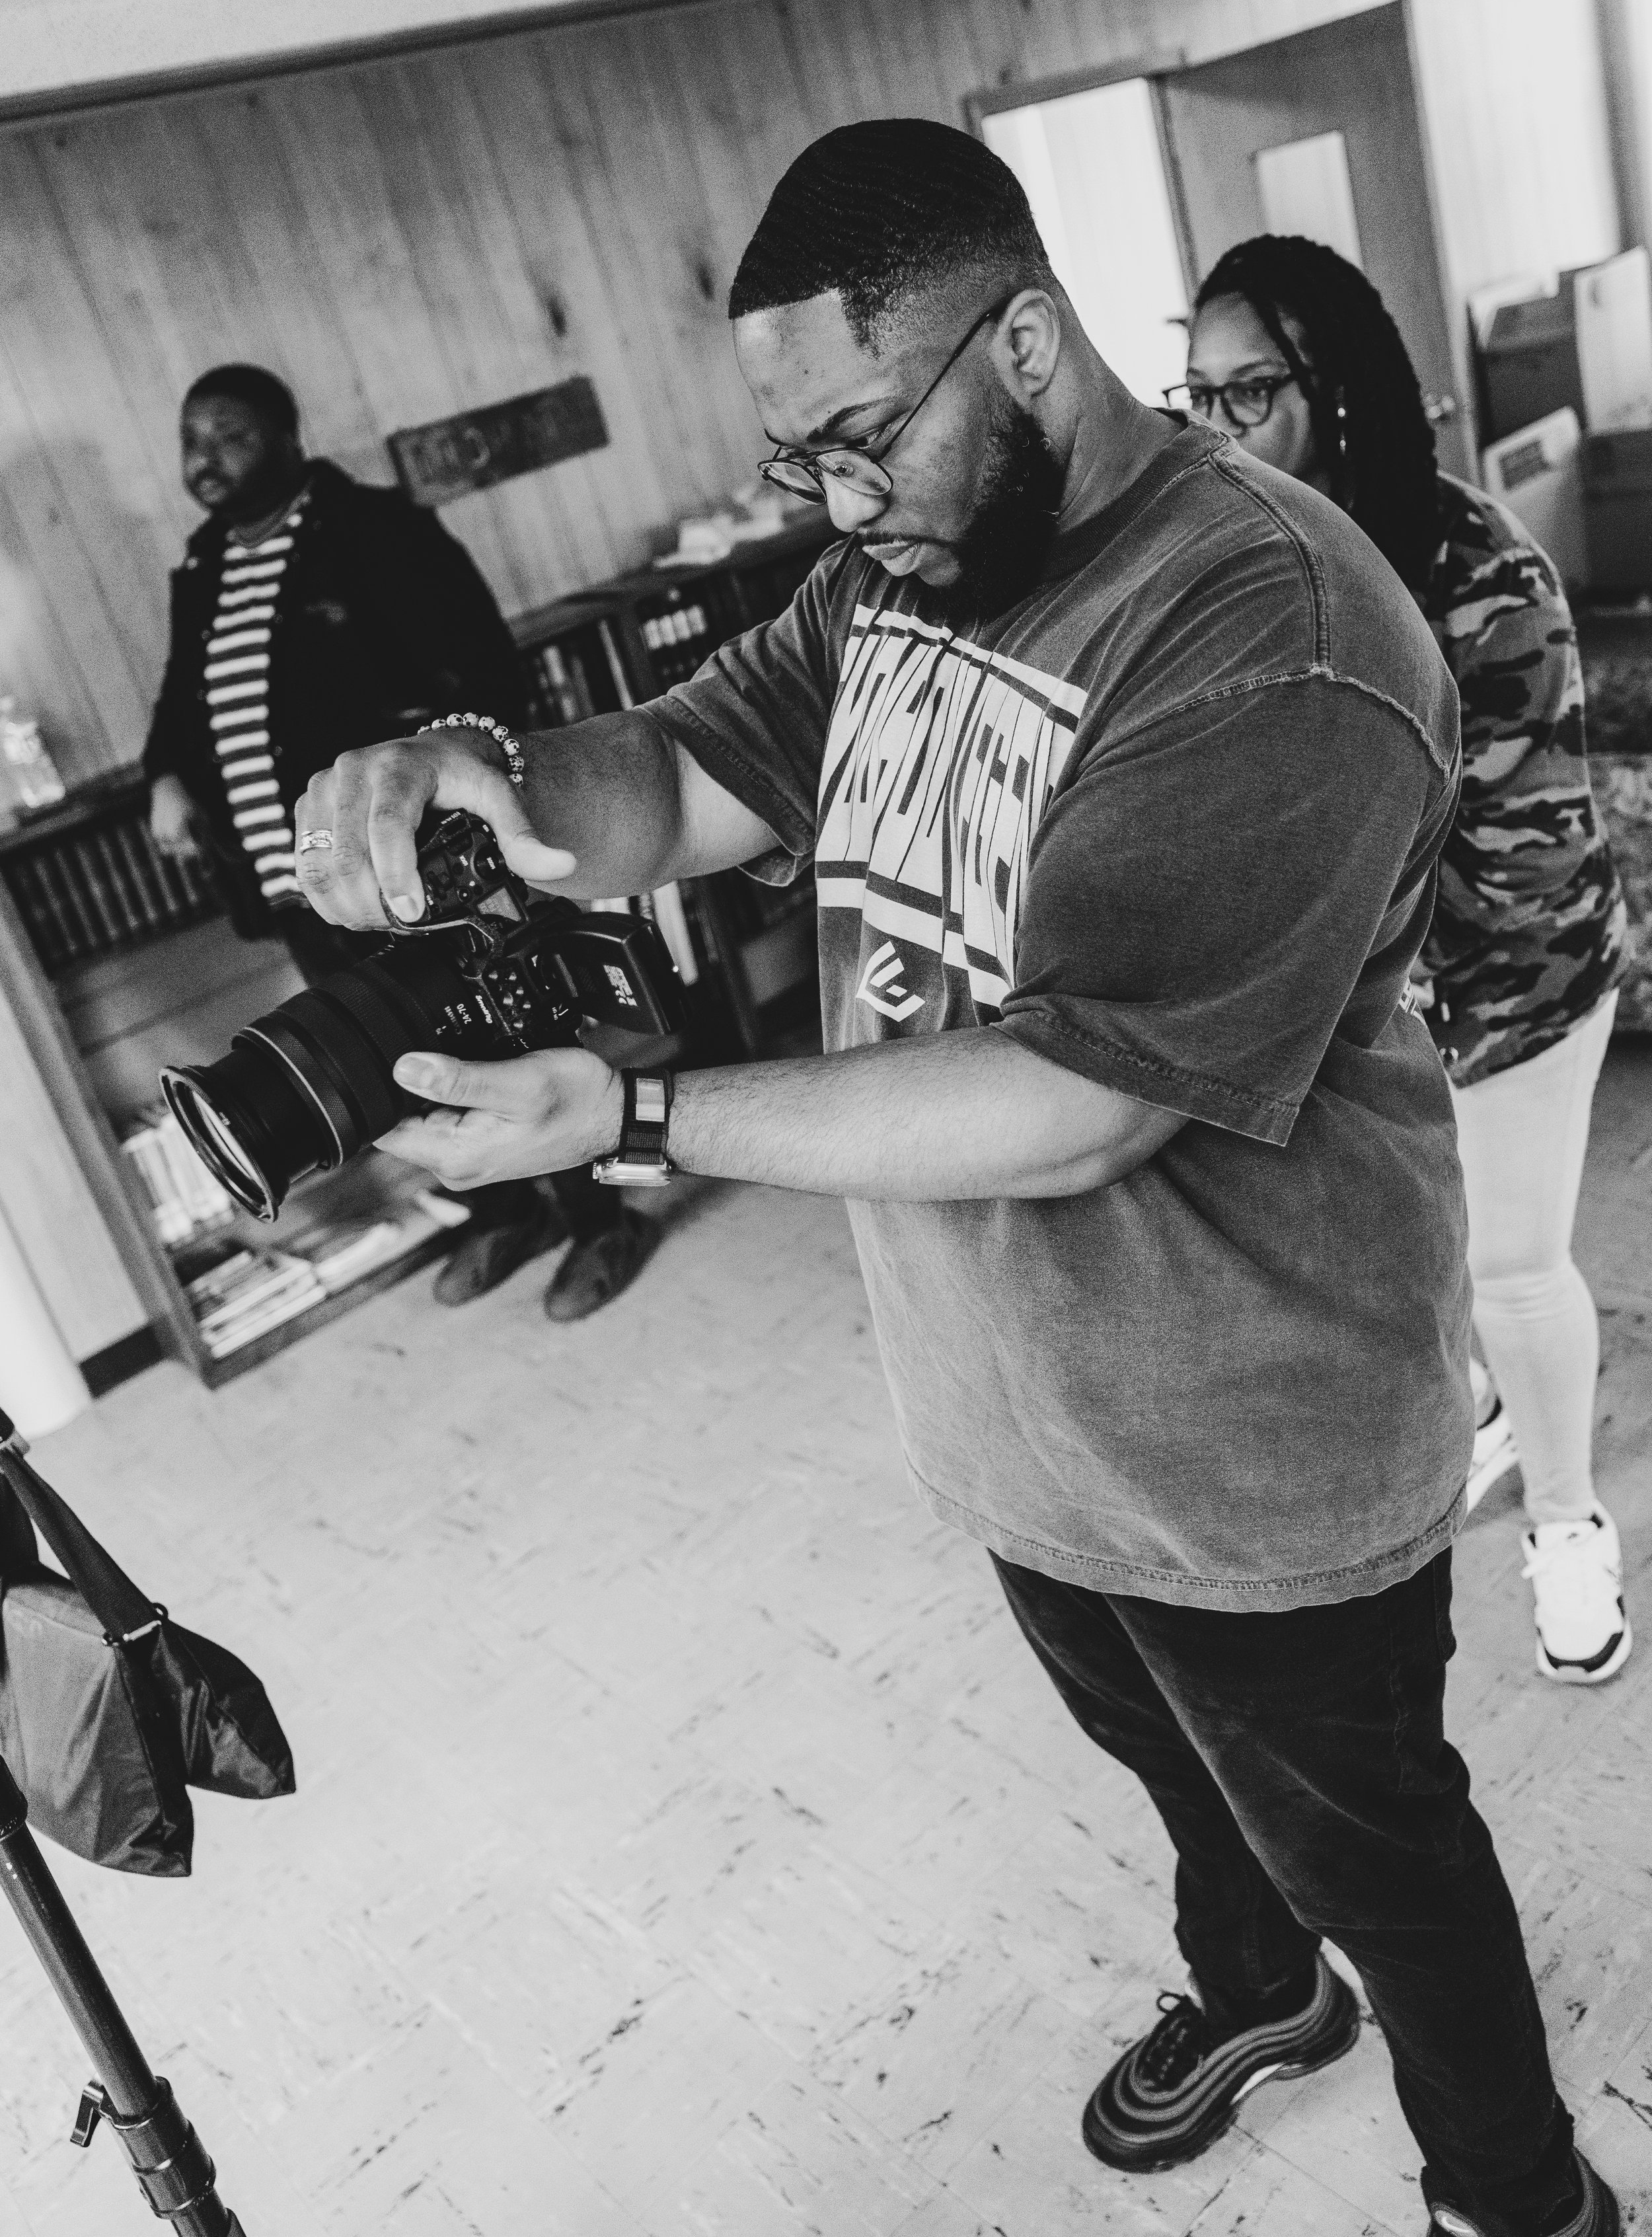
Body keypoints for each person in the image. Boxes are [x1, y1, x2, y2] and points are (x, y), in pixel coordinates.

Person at [291, 122, 1616, 2237]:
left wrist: (636, 1114)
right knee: (1173, 1770)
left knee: (1381, 1853)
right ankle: (1258, 1989)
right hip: (1016, 1411)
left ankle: (1521, 2192)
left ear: (1022, 342)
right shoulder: (899, 573)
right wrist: (492, 767)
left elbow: (1080, 1095)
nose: (831, 501)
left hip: (1252, 1447)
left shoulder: (1267, 619)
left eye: (854, 438)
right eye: (793, 456)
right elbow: (688, 770)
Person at [1181, 239, 1630, 1687]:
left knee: (1509, 1263)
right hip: (1373, 1005)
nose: (1216, 428)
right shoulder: (1241, 559)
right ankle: (1489, 1413)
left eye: (1249, 391)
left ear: (1336, 392)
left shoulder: (1478, 577)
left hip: (1515, 988)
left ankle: (1566, 1524)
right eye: (1195, 394)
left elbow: (1515, 869)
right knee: (1418, 1257)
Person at [142, 363, 656, 1320]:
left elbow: (482, 669)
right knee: (390, 1059)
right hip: (302, 883)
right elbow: (184, 695)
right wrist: (165, 771)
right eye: (192, 441)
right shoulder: (201, 568)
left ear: (288, 438)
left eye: (230, 435)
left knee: (511, 1031)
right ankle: (505, 1213)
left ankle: (602, 1220)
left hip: (413, 864)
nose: (206, 458)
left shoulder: (374, 529)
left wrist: (441, 783)